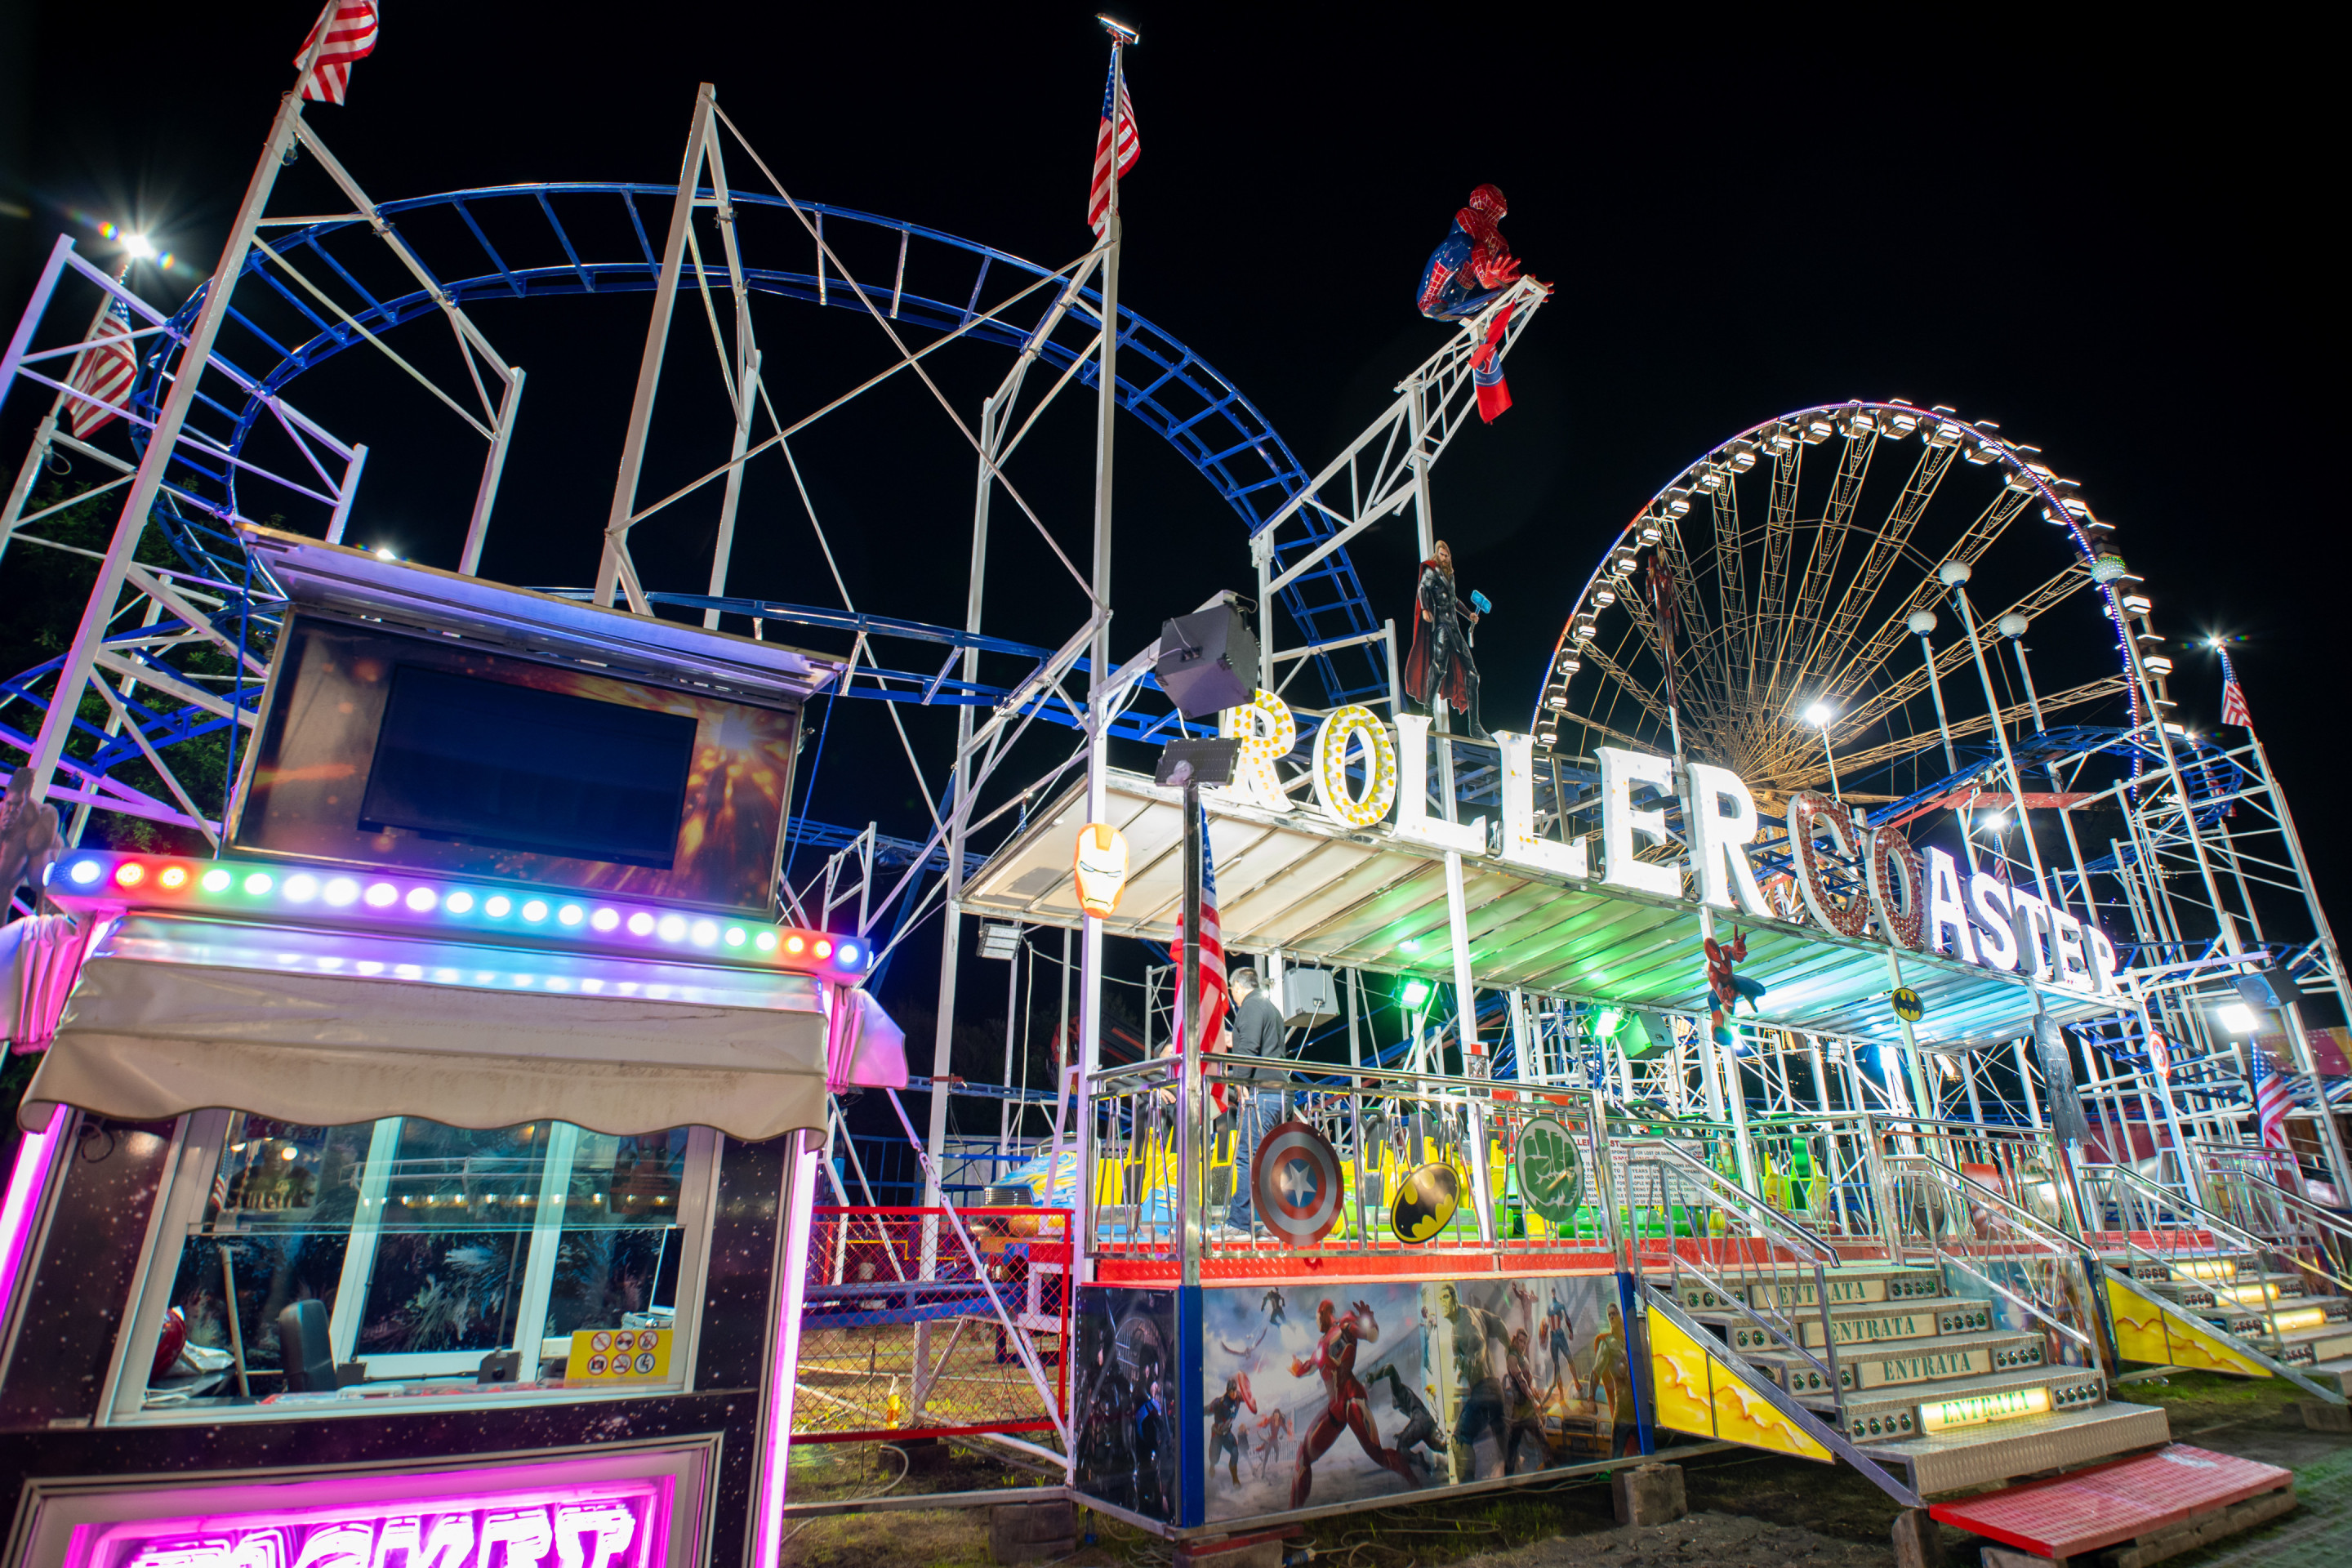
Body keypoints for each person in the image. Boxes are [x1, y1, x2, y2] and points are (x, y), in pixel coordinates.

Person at [1290, 1298, 1419, 1508]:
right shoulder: (1320, 1347)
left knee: (1377, 1455)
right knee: (1303, 1456)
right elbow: (1307, 1368)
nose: (1316, 1322)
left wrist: (1370, 1321)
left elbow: (1372, 1336)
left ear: (1323, 1312)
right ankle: (1293, 1513)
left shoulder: (1344, 1324)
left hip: (1352, 1400)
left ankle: (1416, 1484)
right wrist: (1297, 1370)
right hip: (1335, 1410)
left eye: (1316, 1317)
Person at [1224, 967, 1291, 1236]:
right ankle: (1269, 1222)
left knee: (1248, 1157)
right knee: (1269, 1159)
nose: (1232, 996)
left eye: (1232, 990)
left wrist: (1240, 1083)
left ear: (1238, 987)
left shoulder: (1250, 1007)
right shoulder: (1270, 1008)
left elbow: (1249, 1049)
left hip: (1261, 1093)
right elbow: (1259, 1045)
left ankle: (1240, 1223)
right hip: (1279, 1091)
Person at [1402, 541, 1485, 740]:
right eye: (1442, 555)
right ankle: (1428, 710)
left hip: (1453, 627)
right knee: (1439, 668)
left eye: (1447, 555)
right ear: (1437, 555)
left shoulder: (1449, 574)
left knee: (1472, 674)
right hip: (1441, 626)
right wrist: (1425, 608)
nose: (1445, 558)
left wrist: (1469, 614)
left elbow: (1454, 600)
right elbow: (1423, 588)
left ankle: (1474, 725)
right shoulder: (1432, 570)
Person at [1436, 1281, 1514, 1478]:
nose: (1442, 1302)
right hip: (1495, 1391)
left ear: (1454, 1299)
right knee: (1504, 1443)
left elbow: (1478, 1342)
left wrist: (1474, 1357)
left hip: (1484, 1392)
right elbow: (1498, 1323)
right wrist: (1509, 1349)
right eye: (1440, 1299)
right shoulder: (1474, 1314)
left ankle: (1470, 1489)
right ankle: (1516, 1481)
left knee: (1459, 1439)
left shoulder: (1465, 1321)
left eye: (1446, 1297)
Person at [1416, 185, 1521, 321]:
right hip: (1445, 286)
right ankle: (1429, 299)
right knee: (1462, 242)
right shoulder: (1469, 214)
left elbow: (1509, 269)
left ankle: (1500, 308)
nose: (1503, 199)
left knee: (1502, 272)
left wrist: (1522, 287)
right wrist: (1484, 277)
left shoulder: (1501, 241)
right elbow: (1477, 245)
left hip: (1466, 296)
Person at [1368, 1362, 1448, 1476]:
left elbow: (1390, 1368)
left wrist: (1374, 1377)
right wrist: (1404, 1433)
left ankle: (1418, 1459)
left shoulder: (1397, 1390)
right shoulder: (1403, 1395)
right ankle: (1433, 1462)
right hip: (1427, 1421)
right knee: (1440, 1447)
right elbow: (1415, 1423)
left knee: (1401, 1448)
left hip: (1420, 1421)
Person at [1586, 1303, 1638, 1458]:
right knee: (1616, 1457)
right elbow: (1596, 1371)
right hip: (1623, 1413)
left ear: (1621, 1316)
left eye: (1614, 1313)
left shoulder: (1631, 1340)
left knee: (1646, 1455)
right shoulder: (1607, 1343)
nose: (1612, 1317)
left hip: (1639, 1412)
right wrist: (1590, 1398)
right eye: (1609, 1315)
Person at [1206, 1374, 1257, 1485]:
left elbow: (1249, 1398)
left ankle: (1235, 1478)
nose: (1234, 1394)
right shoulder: (1219, 1402)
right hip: (1217, 1434)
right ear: (1228, 1391)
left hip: (1227, 1433)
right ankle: (1212, 1466)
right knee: (1214, 1458)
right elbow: (1206, 1410)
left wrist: (1250, 1397)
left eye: (1235, 1391)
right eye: (1231, 1391)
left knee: (1235, 1452)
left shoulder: (1238, 1397)